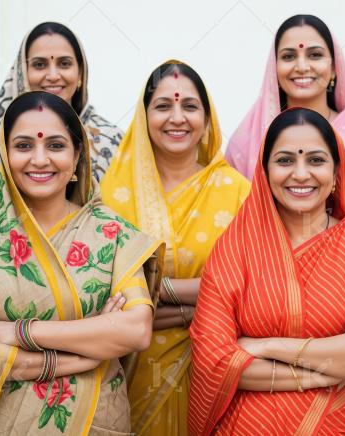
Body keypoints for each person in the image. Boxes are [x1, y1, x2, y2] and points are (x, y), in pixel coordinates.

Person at [0, 91, 161, 434]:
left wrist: (20, 331)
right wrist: (87, 347)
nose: (39, 159)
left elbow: (136, 330)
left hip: (95, 421)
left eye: (55, 145)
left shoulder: (111, 233)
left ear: (77, 154)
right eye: (23, 146)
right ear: (4, 154)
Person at [189, 108, 345, 435]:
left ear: (337, 173)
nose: (301, 173)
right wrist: (332, 367)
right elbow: (213, 361)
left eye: (316, 160)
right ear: (264, 172)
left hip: (341, 424)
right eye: (284, 160)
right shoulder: (235, 249)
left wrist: (266, 346)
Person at [100, 60, 251, 435]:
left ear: (207, 117)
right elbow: (104, 290)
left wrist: (160, 295)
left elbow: (252, 286)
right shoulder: (113, 194)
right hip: (129, 370)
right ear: (144, 115)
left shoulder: (236, 191)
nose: (177, 118)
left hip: (214, 370)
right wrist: (194, 303)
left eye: (190, 106)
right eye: (164, 106)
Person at [225, 14, 345, 184]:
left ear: (334, 67)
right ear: (274, 68)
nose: (301, 67)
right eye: (288, 56)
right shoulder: (246, 142)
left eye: (315, 55)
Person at [0, 21, 124, 181]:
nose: (53, 76)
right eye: (39, 65)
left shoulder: (111, 140)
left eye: (64, 64)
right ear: (22, 72)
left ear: (80, 72)